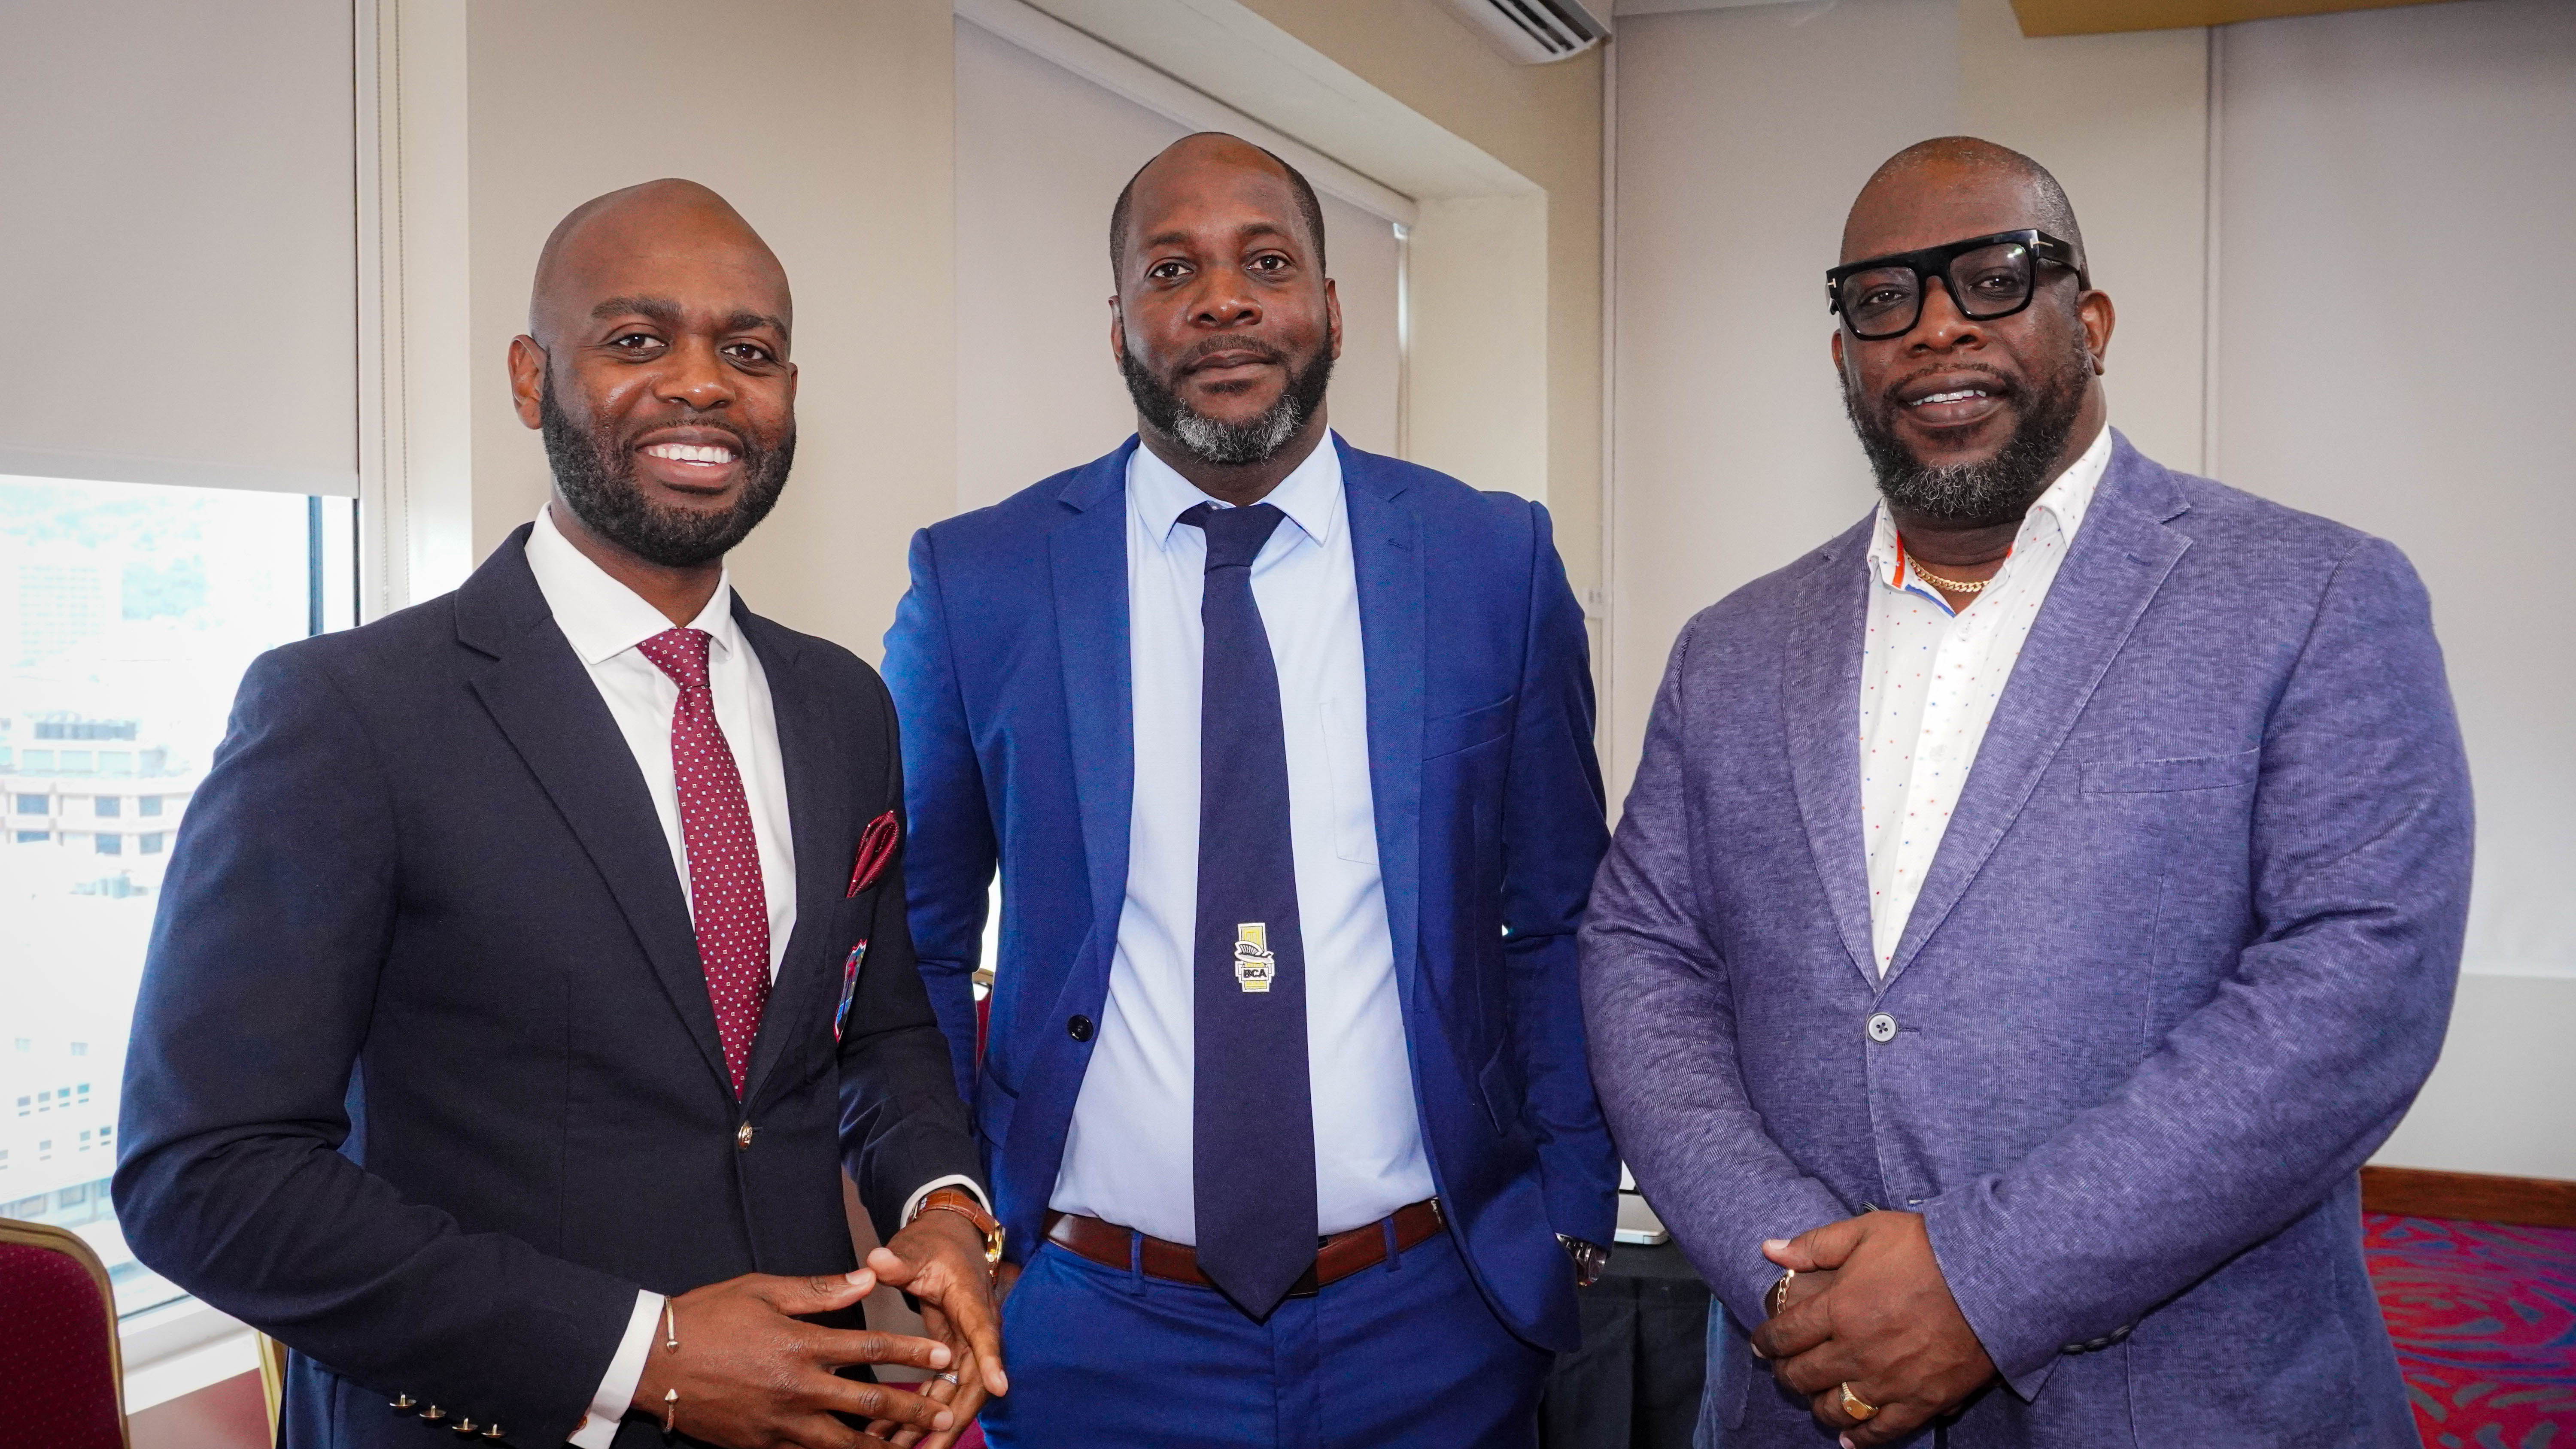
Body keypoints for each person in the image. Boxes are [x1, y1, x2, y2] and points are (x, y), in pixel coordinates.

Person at [1580, 137, 2473, 1447]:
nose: (1938, 328)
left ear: (2090, 322)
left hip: (2192, 1400)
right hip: (1801, 1388)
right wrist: (1788, 1272)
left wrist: (1982, 1281)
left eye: (1995, 277)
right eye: (1883, 299)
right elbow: (1642, 953)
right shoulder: (1733, 648)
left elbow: (2356, 987)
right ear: (1845, 357)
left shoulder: (2317, 594)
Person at [115, 180, 1008, 1449]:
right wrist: (647, 1355)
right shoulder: (349, 714)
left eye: (747, 351)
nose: (701, 385)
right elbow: (206, 1176)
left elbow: (876, 1031)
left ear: (791, 394)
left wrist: (943, 1206)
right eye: (638, 341)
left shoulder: (843, 706)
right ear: (532, 377)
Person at [881, 133, 1619, 1448]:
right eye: (1174, 269)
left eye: (1264, 262)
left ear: (1333, 309)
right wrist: (956, 1210)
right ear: (1120, 327)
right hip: (1085, 1334)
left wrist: (1567, 1212)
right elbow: (912, 946)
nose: (1222, 299)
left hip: (1435, 1326)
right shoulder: (980, 583)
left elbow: (1559, 914)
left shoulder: (1491, 562)